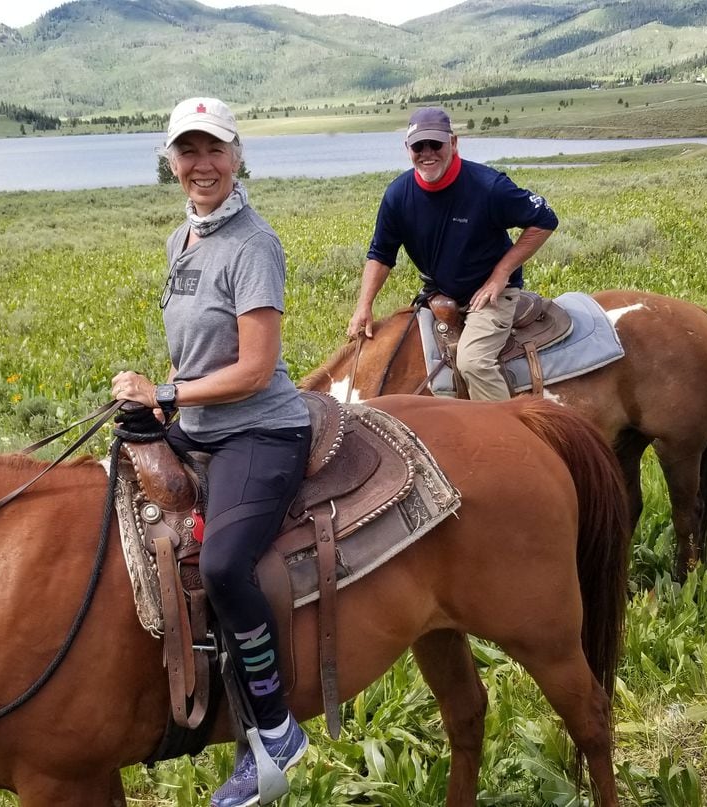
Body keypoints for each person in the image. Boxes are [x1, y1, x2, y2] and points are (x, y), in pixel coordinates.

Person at [111, 97, 311, 807]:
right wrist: (156, 402)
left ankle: (276, 727)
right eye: (187, 151)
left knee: (225, 562)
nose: (201, 164)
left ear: (237, 156)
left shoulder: (254, 244)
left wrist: (167, 390)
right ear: (171, 162)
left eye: (214, 150)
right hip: (197, 420)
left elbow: (256, 369)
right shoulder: (181, 241)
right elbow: (194, 349)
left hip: (259, 429)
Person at [347, 106, 560, 401]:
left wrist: (501, 274)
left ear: (454, 143)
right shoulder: (398, 195)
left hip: (489, 297)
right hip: (439, 296)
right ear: (407, 149)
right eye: (418, 146)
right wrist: (364, 306)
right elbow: (381, 254)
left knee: (473, 363)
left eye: (435, 144)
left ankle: (505, 436)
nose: (427, 153)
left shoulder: (488, 187)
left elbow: (545, 219)